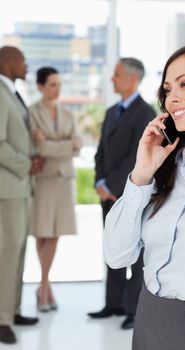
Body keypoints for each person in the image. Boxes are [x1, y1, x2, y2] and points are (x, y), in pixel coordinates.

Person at [104, 43, 185, 349]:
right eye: (167, 88)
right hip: (150, 322)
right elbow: (117, 254)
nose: (173, 97)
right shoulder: (167, 167)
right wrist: (141, 174)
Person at [88, 57, 155, 329]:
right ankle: (113, 303)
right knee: (112, 247)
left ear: (132, 78)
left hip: (130, 194)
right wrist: (99, 181)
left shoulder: (145, 113)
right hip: (109, 194)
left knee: (135, 255)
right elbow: (100, 152)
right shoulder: (111, 111)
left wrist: (115, 187)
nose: (112, 79)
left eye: (116, 75)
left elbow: (137, 157)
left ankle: (132, 310)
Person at [29, 67, 82, 312]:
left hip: (64, 180)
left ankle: (43, 286)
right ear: (40, 86)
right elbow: (40, 148)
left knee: (56, 233)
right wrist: (64, 145)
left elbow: (77, 146)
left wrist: (52, 145)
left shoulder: (67, 113)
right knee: (43, 233)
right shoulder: (31, 113)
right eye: (52, 84)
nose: (57, 89)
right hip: (43, 180)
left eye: (59, 84)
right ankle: (44, 286)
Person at [0, 46, 42, 345]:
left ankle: (12, 310)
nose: (26, 66)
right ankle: (1, 320)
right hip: (8, 188)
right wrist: (25, 163)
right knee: (7, 253)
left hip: (21, 187)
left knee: (18, 252)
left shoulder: (12, 92)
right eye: (22, 61)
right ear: (7, 61)